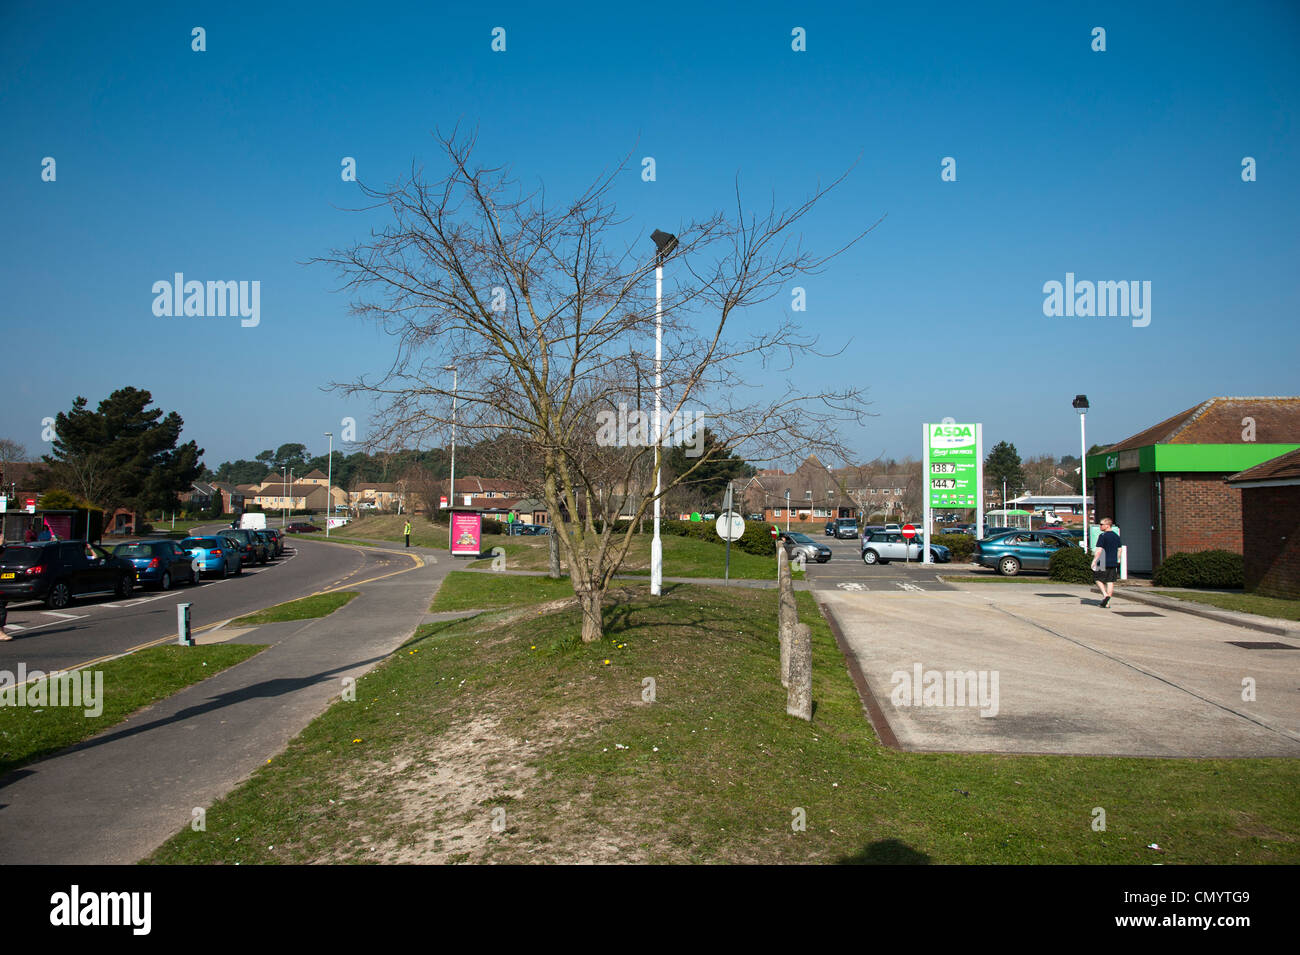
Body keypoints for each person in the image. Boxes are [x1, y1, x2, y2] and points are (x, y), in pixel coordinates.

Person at [1091, 517, 1122, 608]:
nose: (1100, 526)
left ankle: (1105, 595)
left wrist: (1094, 561)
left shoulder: (1103, 536)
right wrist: (1118, 560)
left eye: (1101, 524)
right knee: (1110, 581)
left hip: (1103, 561)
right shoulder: (1116, 536)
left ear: (1107, 525)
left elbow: (1099, 550)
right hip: (1113, 561)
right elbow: (1119, 550)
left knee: (1097, 578)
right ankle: (1107, 603)